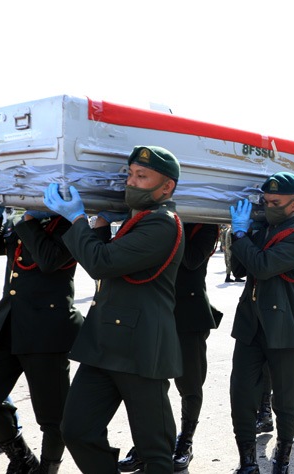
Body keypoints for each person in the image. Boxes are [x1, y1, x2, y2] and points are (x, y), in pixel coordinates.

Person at [45, 145, 185, 474]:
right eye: (130, 175)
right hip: (103, 344)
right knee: (76, 430)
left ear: (166, 187)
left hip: (141, 349)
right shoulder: (138, 220)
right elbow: (105, 258)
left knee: (154, 449)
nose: (131, 182)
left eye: (142, 176)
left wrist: (78, 219)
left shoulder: (162, 224)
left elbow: (101, 262)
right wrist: (100, 222)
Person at [0, 181, 83, 474]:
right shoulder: (23, 224)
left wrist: (28, 220)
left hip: (47, 330)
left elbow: (49, 260)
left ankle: (48, 469)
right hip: (8, 324)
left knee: (52, 417)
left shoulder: (71, 225)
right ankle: (22, 458)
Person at [228, 172, 294, 474]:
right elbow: (239, 269)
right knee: (241, 395)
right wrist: (240, 233)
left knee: (286, 398)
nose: (269, 207)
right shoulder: (262, 229)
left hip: (285, 327)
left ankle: (283, 454)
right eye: (265, 201)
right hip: (251, 325)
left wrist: (242, 237)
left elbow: (263, 266)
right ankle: (247, 460)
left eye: (276, 203)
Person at [117, 222, 221, 472]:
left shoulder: (205, 225)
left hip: (188, 315)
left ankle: (185, 442)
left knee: (190, 385)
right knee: (148, 383)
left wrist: (168, 227)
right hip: (154, 312)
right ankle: (147, 445)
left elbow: (192, 260)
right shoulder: (154, 220)